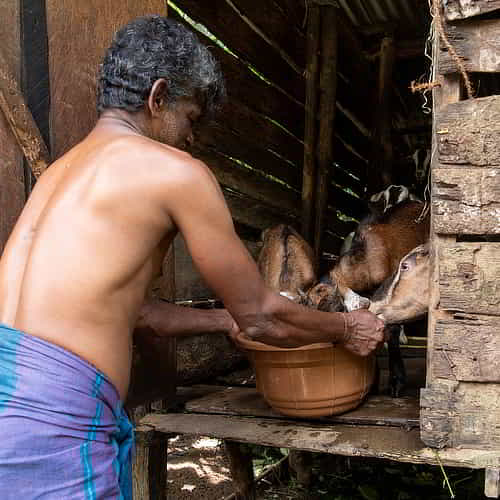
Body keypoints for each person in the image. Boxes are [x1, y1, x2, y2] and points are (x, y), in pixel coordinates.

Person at [0, 15, 385, 499]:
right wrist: (348, 329)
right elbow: (264, 318)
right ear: (157, 98)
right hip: (51, 422)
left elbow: (135, 312)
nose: (191, 138)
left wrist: (224, 321)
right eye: (191, 118)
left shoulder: (60, 173)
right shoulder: (173, 171)